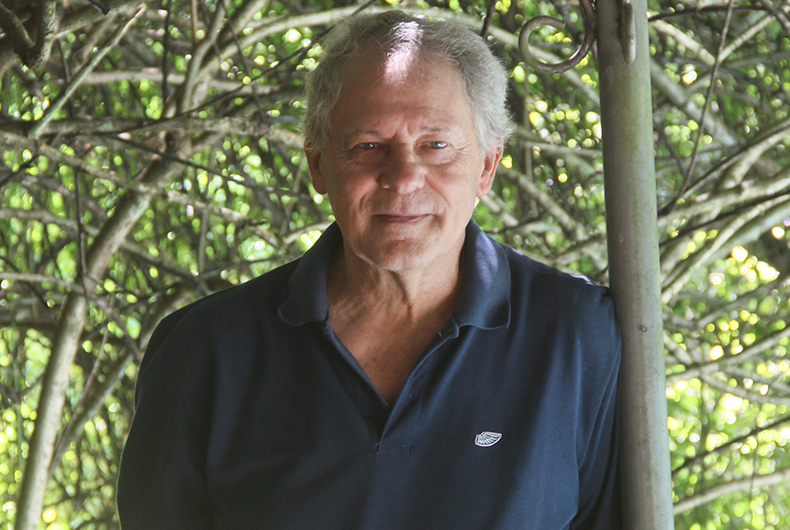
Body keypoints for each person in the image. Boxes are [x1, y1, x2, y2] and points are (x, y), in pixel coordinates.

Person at [117, 10, 621, 529]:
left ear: (487, 166)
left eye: (436, 145)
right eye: (369, 146)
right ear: (318, 164)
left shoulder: (578, 338)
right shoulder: (203, 353)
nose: (403, 177)